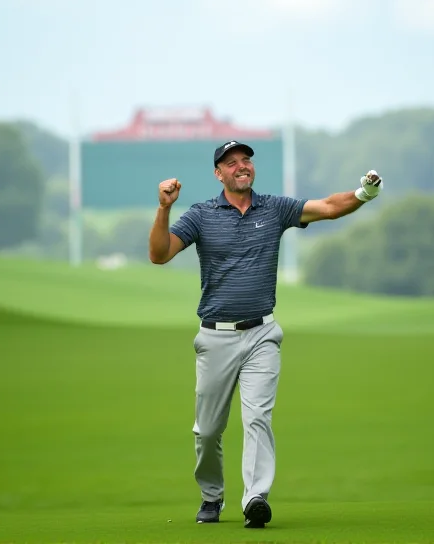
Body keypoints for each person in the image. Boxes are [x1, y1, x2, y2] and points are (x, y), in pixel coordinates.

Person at [148, 140, 383, 529]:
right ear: (218, 173)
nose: (242, 166)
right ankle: (211, 495)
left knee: (257, 417)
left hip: (261, 333)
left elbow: (327, 207)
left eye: (246, 161)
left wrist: (364, 192)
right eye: (232, 163)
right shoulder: (202, 215)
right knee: (207, 431)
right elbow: (159, 254)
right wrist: (164, 207)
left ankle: (255, 497)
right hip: (215, 336)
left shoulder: (274, 209)